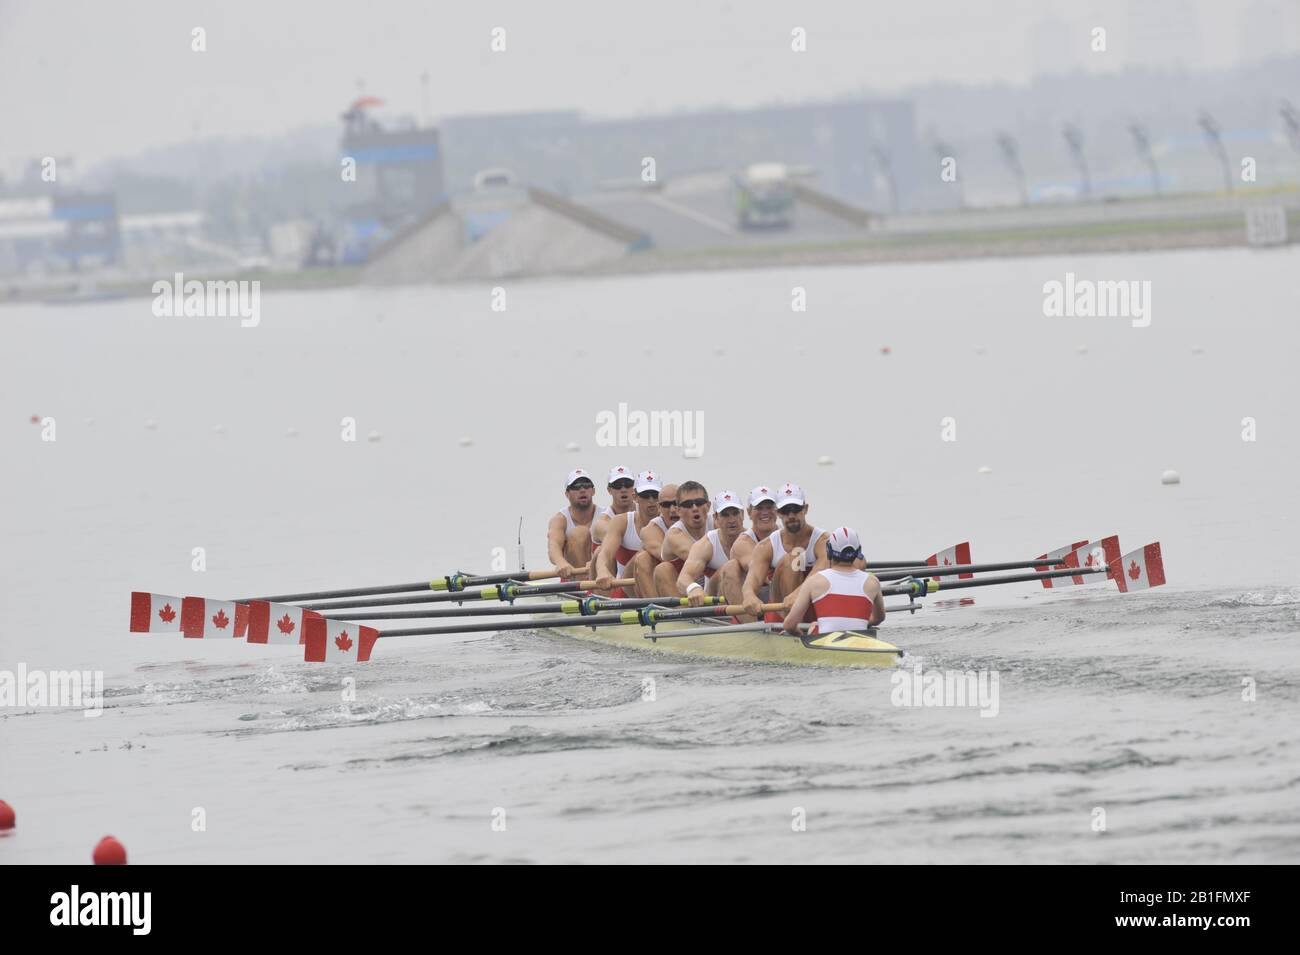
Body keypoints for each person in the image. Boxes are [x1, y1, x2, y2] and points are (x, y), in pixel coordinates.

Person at [741, 482, 827, 619]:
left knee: (857, 561)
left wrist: (798, 593)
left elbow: (818, 573)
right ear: (778, 512)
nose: (791, 515)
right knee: (793, 557)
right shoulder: (766, 546)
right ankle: (790, 623)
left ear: (805, 509)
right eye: (786, 510)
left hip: (812, 608)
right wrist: (749, 596)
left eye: (796, 509)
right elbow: (753, 580)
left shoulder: (822, 541)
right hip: (780, 612)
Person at [783, 527, 885, 634]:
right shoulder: (872, 582)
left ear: (829, 551)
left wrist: (802, 635)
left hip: (825, 645)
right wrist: (859, 623)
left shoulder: (814, 581)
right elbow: (879, 618)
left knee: (814, 627)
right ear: (858, 551)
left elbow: (789, 625)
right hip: (860, 643)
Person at [593, 470, 662, 596]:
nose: (651, 500)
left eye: (655, 495)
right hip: (626, 590)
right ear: (635, 497)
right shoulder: (621, 522)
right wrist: (602, 571)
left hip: (659, 586)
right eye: (646, 495)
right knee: (643, 556)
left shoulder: (670, 521)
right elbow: (606, 554)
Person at [679, 490, 745, 606]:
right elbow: (683, 579)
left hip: (747, 598)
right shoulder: (706, 544)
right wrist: (693, 588)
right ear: (715, 517)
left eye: (735, 513)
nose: (731, 520)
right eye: (725, 514)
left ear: (743, 515)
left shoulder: (752, 539)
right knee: (730, 567)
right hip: (716, 602)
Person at [716, 485, 779, 607]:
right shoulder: (743, 543)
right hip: (754, 600)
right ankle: (750, 625)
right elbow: (758, 571)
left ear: (777, 511)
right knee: (730, 567)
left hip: (781, 595)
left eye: (769, 507)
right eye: (759, 508)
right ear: (749, 513)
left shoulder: (788, 536)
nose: (765, 512)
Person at [653, 480, 710, 596]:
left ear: (708, 506)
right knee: (662, 569)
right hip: (683, 591)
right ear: (678, 510)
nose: (694, 508)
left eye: (699, 502)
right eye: (688, 505)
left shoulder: (719, 523)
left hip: (710, 586)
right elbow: (699, 557)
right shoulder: (674, 534)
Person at [546, 468, 597, 579]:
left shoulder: (605, 515)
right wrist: (560, 562)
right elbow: (553, 545)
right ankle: (586, 587)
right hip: (573, 580)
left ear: (593, 491)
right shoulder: (559, 520)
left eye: (586, 485)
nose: (582, 490)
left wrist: (596, 561)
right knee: (580, 533)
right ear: (567, 494)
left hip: (599, 576)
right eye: (576, 487)